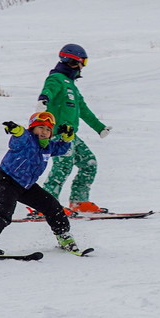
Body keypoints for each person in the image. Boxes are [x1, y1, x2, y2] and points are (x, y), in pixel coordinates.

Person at [0, 111, 84, 255]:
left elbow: (63, 148)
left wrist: (68, 137)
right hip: (8, 180)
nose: (44, 132)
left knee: (52, 206)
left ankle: (64, 236)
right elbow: (19, 135)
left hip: (27, 186)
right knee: (5, 209)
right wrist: (15, 129)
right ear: (32, 128)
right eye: (41, 127)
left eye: (48, 129)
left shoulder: (48, 146)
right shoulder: (26, 139)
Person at [35, 43, 112, 215]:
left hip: (71, 136)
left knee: (89, 163)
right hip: (57, 135)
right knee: (62, 167)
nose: (83, 66)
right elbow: (49, 89)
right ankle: (45, 206)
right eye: (82, 62)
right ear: (71, 61)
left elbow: (83, 110)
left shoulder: (72, 86)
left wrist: (99, 128)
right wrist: (43, 99)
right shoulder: (56, 79)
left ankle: (79, 201)